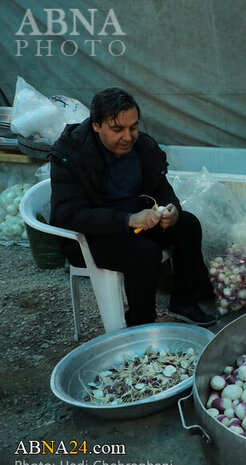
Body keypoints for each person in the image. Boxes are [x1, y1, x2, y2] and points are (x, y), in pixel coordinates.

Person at [49, 87, 216, 327]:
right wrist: (127, 219)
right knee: (143, 253)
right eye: (117, 129)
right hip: (93, 237)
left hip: (139, 222)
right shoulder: (71, 155)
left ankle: (184, 302)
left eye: (133, 127)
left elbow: (161, 187)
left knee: (187, 224)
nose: (128, 137)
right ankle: (141, 323)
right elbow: (68, 215)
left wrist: (172, 208)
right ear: (96, 126)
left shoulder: (142, 147)